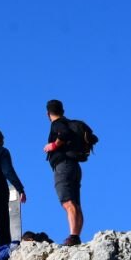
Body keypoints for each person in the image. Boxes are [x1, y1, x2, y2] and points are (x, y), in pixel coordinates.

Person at [43, 99, 84, 246]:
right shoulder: (68, 122)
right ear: (63, 110)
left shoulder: (57, 124)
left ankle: (73, 236)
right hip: (74, 166)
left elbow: (64, 133)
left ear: (48, 114)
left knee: (67, 202)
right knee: (75, 203)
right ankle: (76, 235)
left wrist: (52, 145)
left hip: (63, 166)